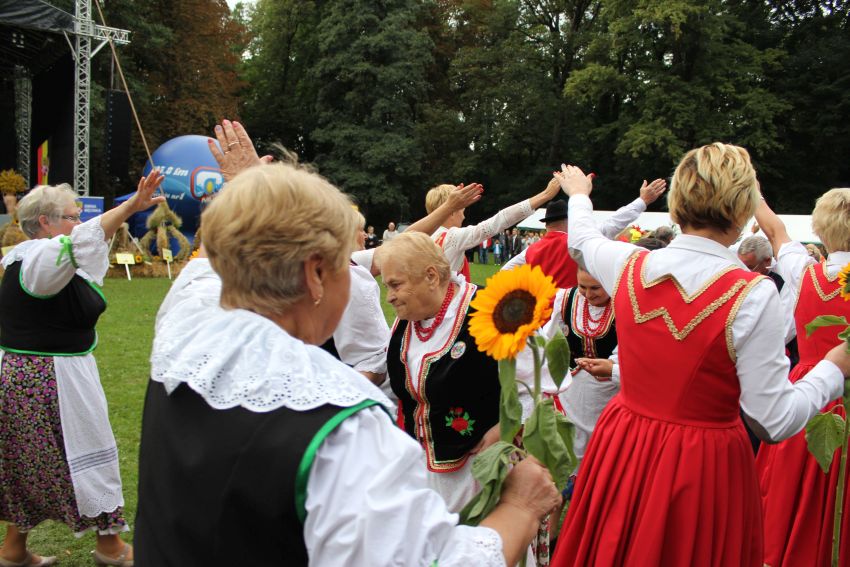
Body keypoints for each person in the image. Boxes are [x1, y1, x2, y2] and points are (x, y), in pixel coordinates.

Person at [135, 119, 562, 567]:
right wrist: (520, 508)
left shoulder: (186, 320)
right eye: (350, 264)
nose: (364, 276)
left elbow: (220, 259)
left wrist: (252, 195)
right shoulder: (341, 424)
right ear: (315, 275)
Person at [550, 144, 850, 567]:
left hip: (623, 443)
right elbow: (774, 420)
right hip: (702, 460)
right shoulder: (752, 293)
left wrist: (580, 194)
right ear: (742, 210)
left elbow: (582, 238)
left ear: (676, 204)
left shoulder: (629, 264)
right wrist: (833, 369)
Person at [0, 173, 165, 567]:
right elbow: (82, 242)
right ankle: (111, 547)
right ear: (45, 222)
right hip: (48, 376)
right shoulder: (38, 258)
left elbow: (87, 249)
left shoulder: (42, 259)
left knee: (30, 458)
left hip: (37, 372)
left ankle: (13, 550)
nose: (80, 223)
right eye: (72, 217)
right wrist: (131, 206)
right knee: (85, 452)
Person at [753, 187, 850, 567]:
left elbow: (774, 230)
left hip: (807, 392)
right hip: (836, 391)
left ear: (820, 229)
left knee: (791, 489)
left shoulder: (803, 271)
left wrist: (752, 191)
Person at [378, 231, 504, 512]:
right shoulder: (404, 322)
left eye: (395, 285)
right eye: (387, 286)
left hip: (478, 468)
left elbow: (537, 384)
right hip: (420, 469)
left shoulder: (490, 310)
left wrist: (504, 429)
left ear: (431, 277)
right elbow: (392, 388)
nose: (389, 297)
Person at [515, 267, 620, 471]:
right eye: (582, 287)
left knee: (602, 440)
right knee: (569, 434)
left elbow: (629, 350)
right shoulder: (566, 299)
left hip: (607, 390)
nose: (588, 294)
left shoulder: (623, 304)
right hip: (571, 386)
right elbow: (549, 337)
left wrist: (613, 368)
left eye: (595, 288)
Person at [501, 178, 665, 287]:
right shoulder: (579, 241)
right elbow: (615, 221)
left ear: (546, 224)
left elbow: (504, 273)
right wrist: (643, 201)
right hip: (573, 310)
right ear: (569, 220)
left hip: (542, 315)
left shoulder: (530, 251)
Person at [418, 178, 561, 281]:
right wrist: (545, 195)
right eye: (462, 209)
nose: (463, 215)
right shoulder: (452, 237)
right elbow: (498, 221)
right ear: (452, 211)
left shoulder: (420, 238)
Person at [321, 211, 389, 386]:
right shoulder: (348, 276)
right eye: (360, 229)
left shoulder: (346, 265)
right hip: (351, 382)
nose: (365, 235)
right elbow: (372, 354)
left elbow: (399, 245)